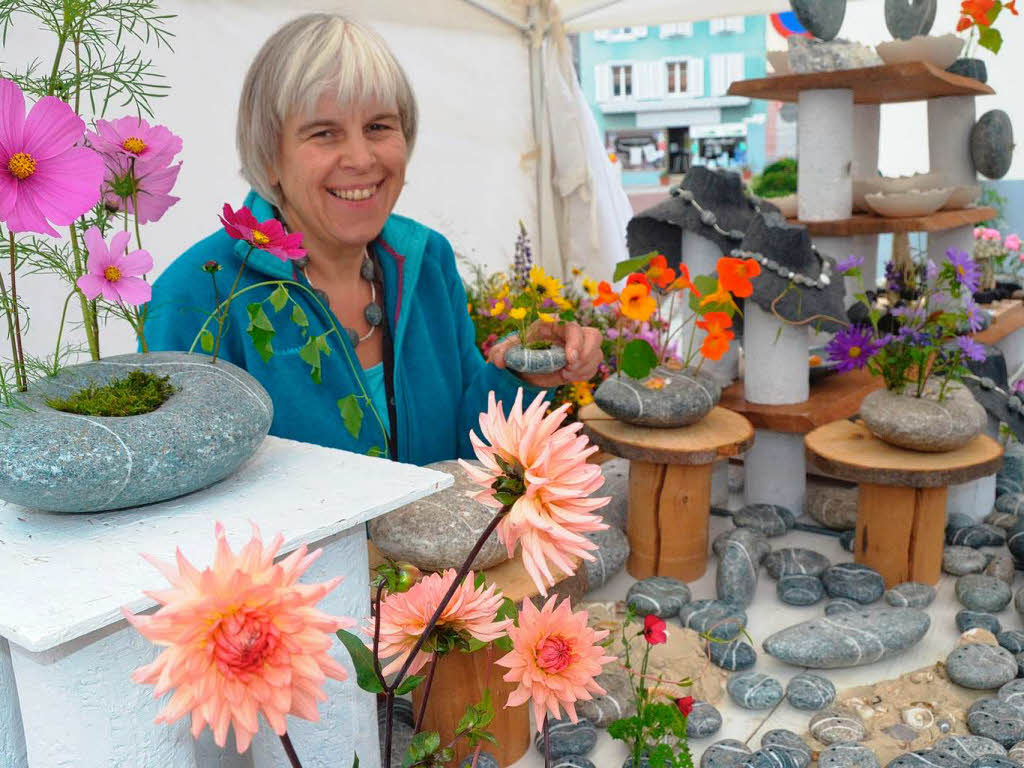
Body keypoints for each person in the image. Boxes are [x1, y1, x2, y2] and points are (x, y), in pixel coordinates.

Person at [145, 13, 603, 465]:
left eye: (379, 127)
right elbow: (188, 485)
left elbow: (467, 450)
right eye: (324, 133)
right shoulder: (200, 292)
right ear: (269, 157)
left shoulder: (427, 261)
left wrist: (518, 376)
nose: (361, 159)